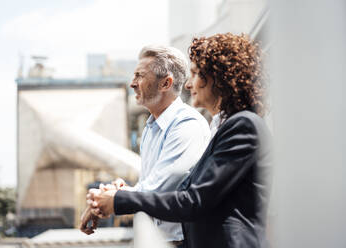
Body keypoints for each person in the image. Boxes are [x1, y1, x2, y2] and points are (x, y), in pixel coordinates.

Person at [88, 33, 272, 248]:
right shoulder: (222, 127)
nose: (188, 85)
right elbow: (182, 190)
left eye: (194, 74)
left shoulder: (243, 126)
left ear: (217, 77)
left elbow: (193, 200)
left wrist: (120, 199)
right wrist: (123, 193)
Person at [82, 45, 211, 246]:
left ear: (165, 83)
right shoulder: (151, 128)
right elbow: (150, 187)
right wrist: (121, 191)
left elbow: (158, 189)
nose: (132, 83)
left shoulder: (188, 125)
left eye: (139, 76)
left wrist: (110, 198)